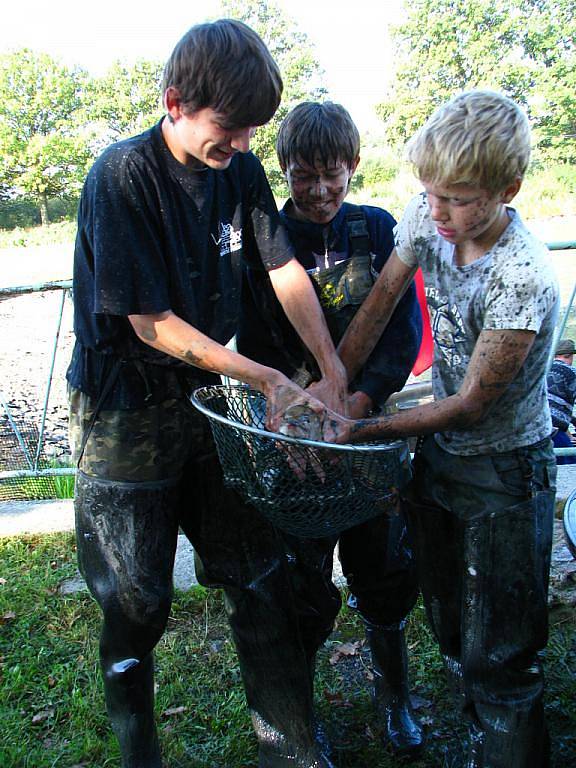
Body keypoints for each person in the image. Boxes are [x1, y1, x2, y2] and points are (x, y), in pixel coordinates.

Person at [66, 19, 348, 768]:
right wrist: (266, 376)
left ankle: (289, 746)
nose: (245, 144)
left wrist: (330, 365)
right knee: (137, 599)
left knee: (258, 576)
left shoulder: (242, 173)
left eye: (256, 128)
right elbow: (151, 324)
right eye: (230, 127)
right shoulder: (121, 176)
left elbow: (283, 271)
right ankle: (140, 754)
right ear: (174, 101)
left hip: (215, 407)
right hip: (125, 409)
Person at [322, 91, 559, 768]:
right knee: (454, 632)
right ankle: (482, 739)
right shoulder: (429, 220)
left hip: (506, 470)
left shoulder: (523, 276)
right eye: (430, 194)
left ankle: (508, 741)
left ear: (507, 188)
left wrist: (368, 429)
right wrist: (334, 385)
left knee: (504, 659)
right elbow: (379, 303)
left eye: (457, 199)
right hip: (442, 465)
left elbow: (469, 406)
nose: (438, 212)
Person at [237, 101, 425, 757]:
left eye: (333, 173)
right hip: (298, 446)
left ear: (354, 166)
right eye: (303, 173)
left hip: (369, 438)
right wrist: (296, 403)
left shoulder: (378, 229)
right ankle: (300, 713)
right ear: (285, 169)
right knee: (302, 586)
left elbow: (404, 334)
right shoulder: (267, 240)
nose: (319, 189)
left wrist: (365, 396)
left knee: (385, 571)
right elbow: (257, 336)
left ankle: (394, 692)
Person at [546, 338, 576, 464]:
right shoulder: (571, 373)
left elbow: (554, 406)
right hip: (555, 431)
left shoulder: (543, 369)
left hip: (536, 428)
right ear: (570, 356)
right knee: (570, 463)